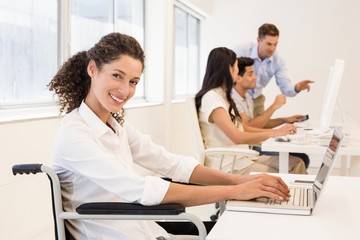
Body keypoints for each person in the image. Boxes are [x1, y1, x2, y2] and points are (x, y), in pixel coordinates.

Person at [48, 32, 292, 240]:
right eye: (116, 75)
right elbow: (141, 190)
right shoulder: (74, 135)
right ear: (92, 68)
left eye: (133, 81)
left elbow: (170, 163)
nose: (125, 91)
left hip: (146, 231)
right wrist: (235, 191)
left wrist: (238, 181)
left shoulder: (115, 126)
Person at [194, 47, 307, 175]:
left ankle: (302, 195)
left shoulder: (224, 97)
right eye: (236, 67)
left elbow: (243, 128)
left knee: (297, 163)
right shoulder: (212, 99)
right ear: (229, 70)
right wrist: (275, 132)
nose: (237, 72)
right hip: (229, 165)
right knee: (282, 174)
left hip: (242, 159)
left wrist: (279, 132)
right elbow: (237, 137)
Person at [232, 57, 310, 168]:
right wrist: (274, 107)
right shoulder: (234, 99)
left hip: (255, 143)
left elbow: (259, 123)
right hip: (251, 147)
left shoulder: (247, 96)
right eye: (250, 74)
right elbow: (248, 126)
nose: (255, 77)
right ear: (238, 78)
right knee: (301, 158)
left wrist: (285, 120)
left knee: (302, 157)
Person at [233, 23, 314, 116]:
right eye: (269, 44)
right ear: (258, 40)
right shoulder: (241, 51)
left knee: (260, 127)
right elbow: (226, 72)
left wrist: (296, 88)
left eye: (275, 44)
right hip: (236, 96)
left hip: (256, 98)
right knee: (244, 127)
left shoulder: (278, 61)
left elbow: (285, 87)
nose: (272, 48)